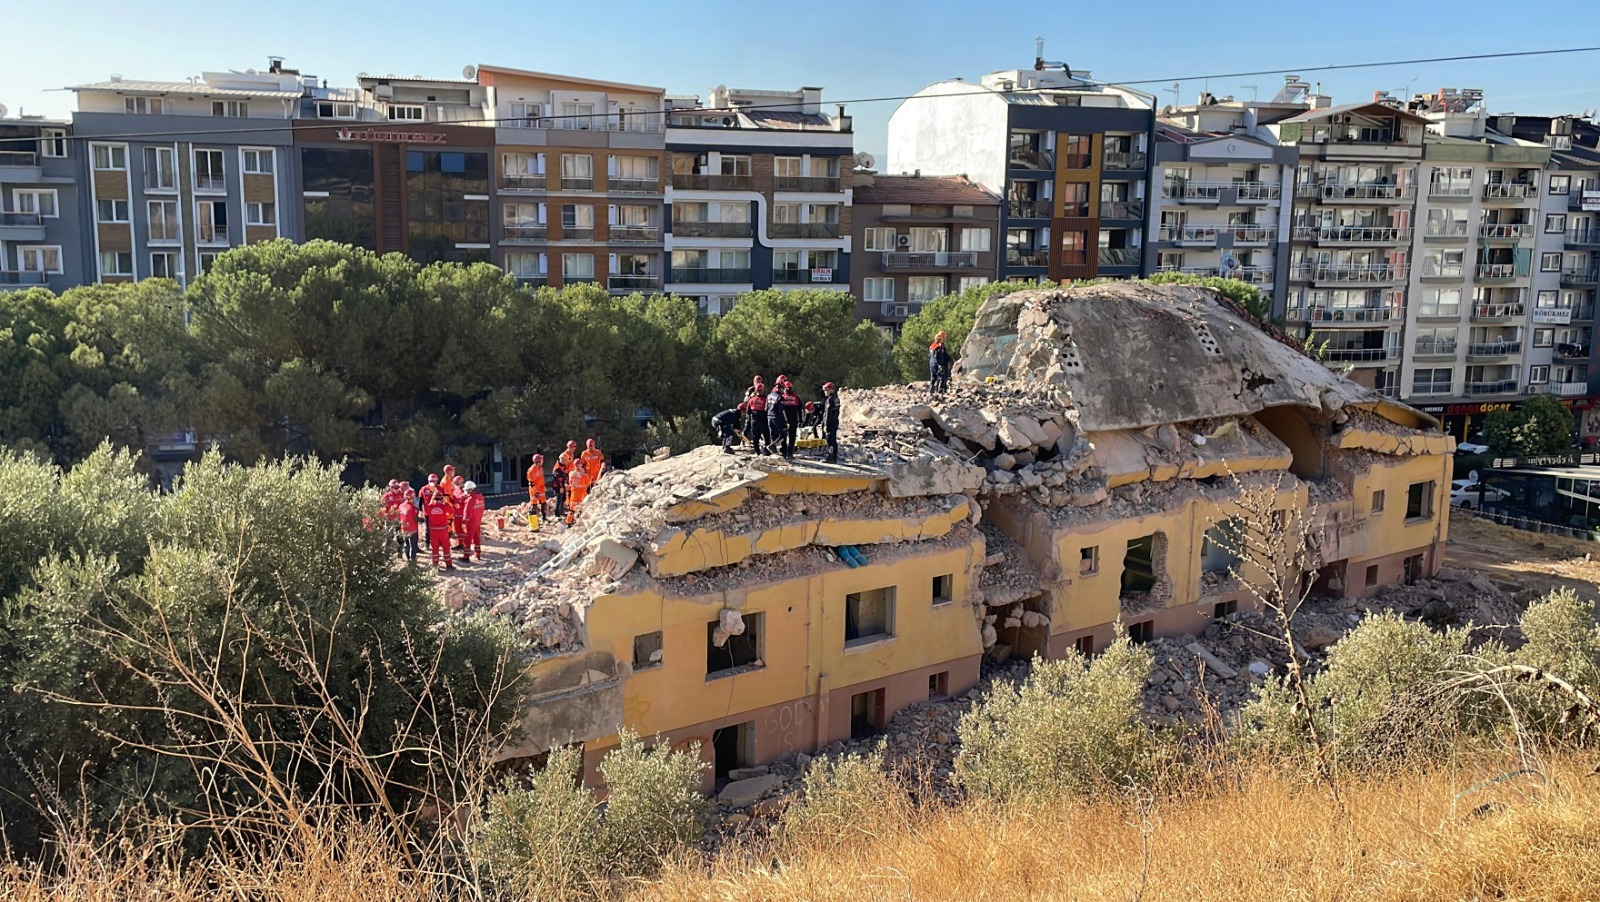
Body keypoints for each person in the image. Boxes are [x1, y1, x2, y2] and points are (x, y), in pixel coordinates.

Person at [423, 485, 455, 571]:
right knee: (446, 548)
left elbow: (425, 511)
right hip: (443, 530)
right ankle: (449, 565)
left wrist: (431, 501)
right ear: (441, 499)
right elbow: (452, 511)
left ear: (433, 498)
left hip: (433, 531)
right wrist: (446, 502)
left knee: (435, 549)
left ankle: (435, 566)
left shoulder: (429, 508)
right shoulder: (444, 507)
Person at [460, 481, 486, 562]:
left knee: (467, 539)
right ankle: (477, 554)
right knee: (476, 538)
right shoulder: (480, 496)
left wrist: (464, 522)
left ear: (470, 490)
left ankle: (466, 556)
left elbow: (467, 512)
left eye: (467, 490)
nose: (466, 492)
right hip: (477, 521)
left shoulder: (470, 499)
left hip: (470, 523)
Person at [744, 376, 770, 454]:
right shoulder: (765, 399)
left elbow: (748, 410)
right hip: (762, 418)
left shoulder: (752, 399)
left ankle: (757, 451)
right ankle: (766, 450)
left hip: (754, 417)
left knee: (756, 435)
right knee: (766, 435)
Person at [780, 379, 802, 459]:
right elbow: (800, 409)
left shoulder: (782, 397)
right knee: (792, 438)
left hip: (784, 420)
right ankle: (790, 454)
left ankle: (784, 453)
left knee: (784, 436)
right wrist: (800, 419)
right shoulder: (796, 397)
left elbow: (779, 410)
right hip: (793, 420)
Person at [397, 488, 420, 564]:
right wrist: (422, 520)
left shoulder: (401, 506)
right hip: (412, 529)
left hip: (404, 528)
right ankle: (412, 561)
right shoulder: (413, 508)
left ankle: (407, 559)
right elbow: (416, 519)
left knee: (406, 545)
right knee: (413, 546)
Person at [766, 380, 787, 458]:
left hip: (769, 417)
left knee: (773, 434)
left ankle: (773, 453)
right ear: (781, 388)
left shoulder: (769, 396)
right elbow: (781, 411)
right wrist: (785, 421)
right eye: (783, 388)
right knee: (783, 434)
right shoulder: (779, 397)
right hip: (777, 417)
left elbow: (766, 408)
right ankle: (772, 446)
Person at [823, 381, 841, 463]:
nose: (825, 392)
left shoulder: (830, 400)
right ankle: (834, 457)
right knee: (833, 440)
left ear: (830, 389)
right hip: (835, 421)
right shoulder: (836, 399)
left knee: (830, 440)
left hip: (830, 423)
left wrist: (826, 424)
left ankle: (831, 457)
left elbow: (828, 413)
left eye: (826, 390)